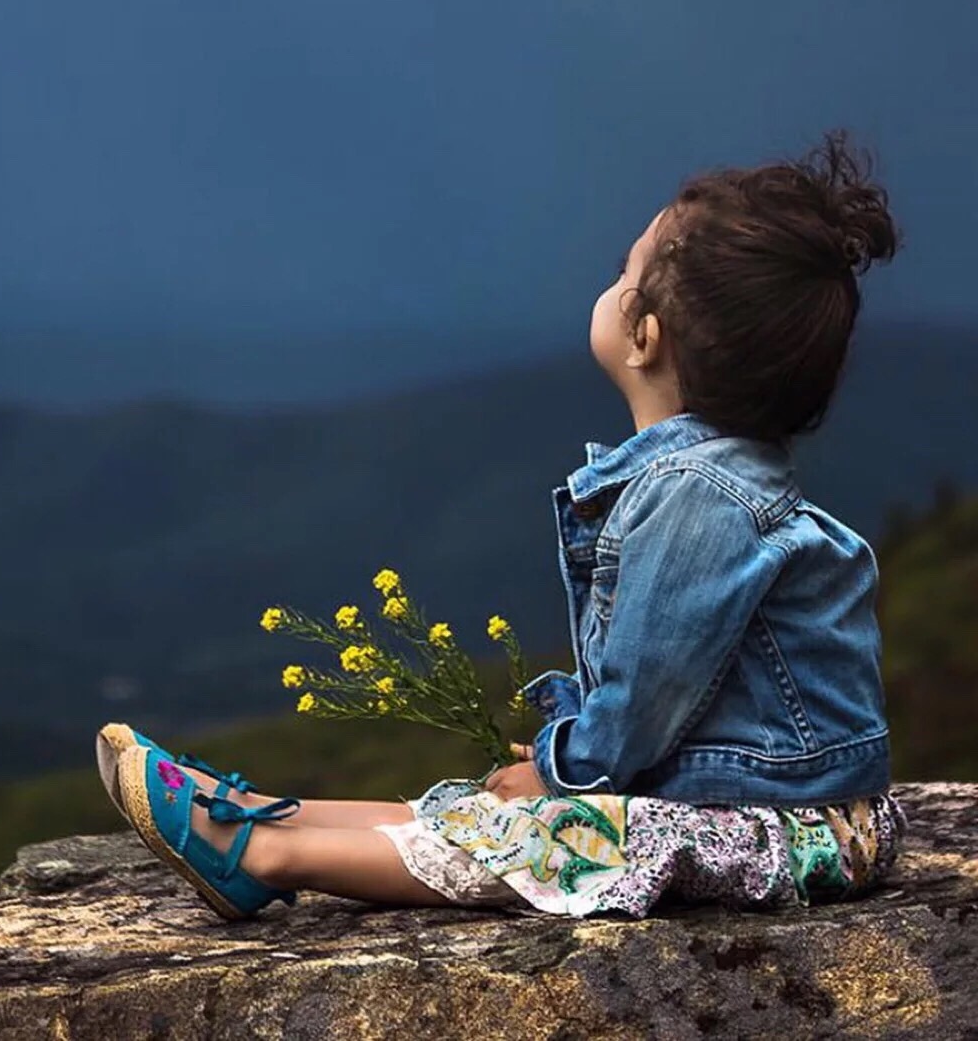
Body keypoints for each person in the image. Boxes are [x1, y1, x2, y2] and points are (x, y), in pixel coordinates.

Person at [96, 126, 907, 921]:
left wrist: (567, 772)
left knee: (554, 837)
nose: (610, 278)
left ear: (643, 336)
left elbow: (645, 696)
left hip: (792, 829)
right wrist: (571, 762)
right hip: (768, 803)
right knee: (492, 810)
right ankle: (267, 811)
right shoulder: (705, 481)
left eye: (620, 270)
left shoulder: (696, 493)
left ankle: (268, 853)